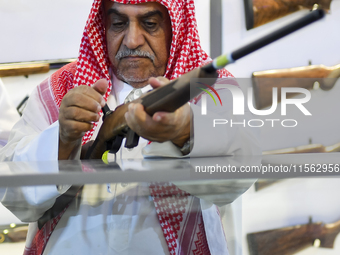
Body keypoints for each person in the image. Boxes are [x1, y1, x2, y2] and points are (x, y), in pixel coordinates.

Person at [0, 0, 261, 254]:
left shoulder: (215, 89)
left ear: (176, 26)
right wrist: (62, 141)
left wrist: (184, 131)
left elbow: (240, 174)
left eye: (149, 24)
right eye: (118, 23)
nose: (132, 40)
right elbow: (13, 192)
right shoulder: (59, 89)